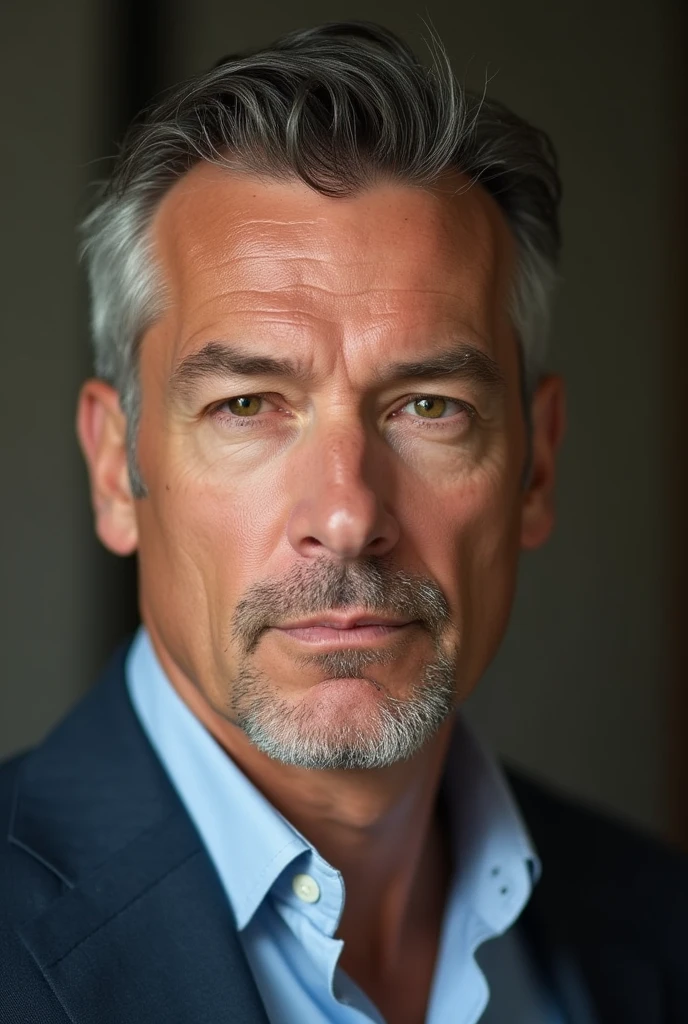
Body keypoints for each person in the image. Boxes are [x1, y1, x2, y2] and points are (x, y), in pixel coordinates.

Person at [1, 21, 686, 1024]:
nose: (348, 513)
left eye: (428, 406)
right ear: (117, 468)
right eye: (246, 405)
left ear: (534, 463)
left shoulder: (659, 926)